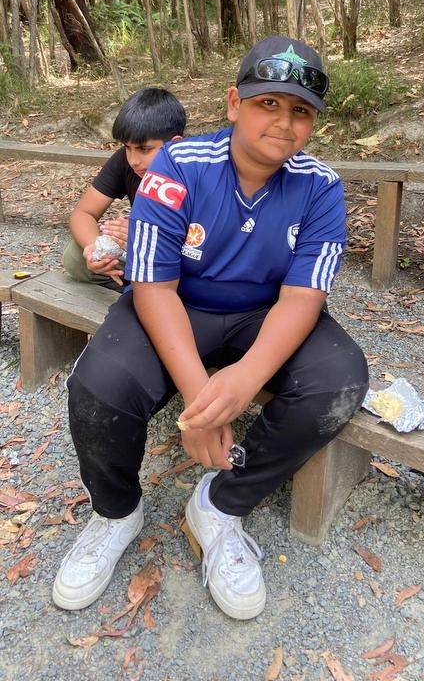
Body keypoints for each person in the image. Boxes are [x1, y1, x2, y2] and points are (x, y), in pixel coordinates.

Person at [53, 36, 369, 620]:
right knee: (99, 387)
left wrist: (244, 380)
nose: (284, 123)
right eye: (268, 103)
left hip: (264, 312)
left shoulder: (320, 186)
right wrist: (202, 401)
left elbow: (303, 296)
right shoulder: (177, 166)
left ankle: (221, 504)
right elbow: (153, 287)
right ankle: (115, 513)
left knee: (339, 379)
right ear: (233, 103)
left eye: (300, 111)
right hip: (178, 303)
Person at [62, 86, 186, 290]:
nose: (133, 160)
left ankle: (154, 295)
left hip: (183, 262)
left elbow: (209, 242)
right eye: (127, 147)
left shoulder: (195, 170)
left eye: (144, 149)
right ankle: (140, 290)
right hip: (140, 255)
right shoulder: (125, 161)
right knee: (75, 256)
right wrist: (95, 250)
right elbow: (83, 213)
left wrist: (145, 236)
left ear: (175, 145)